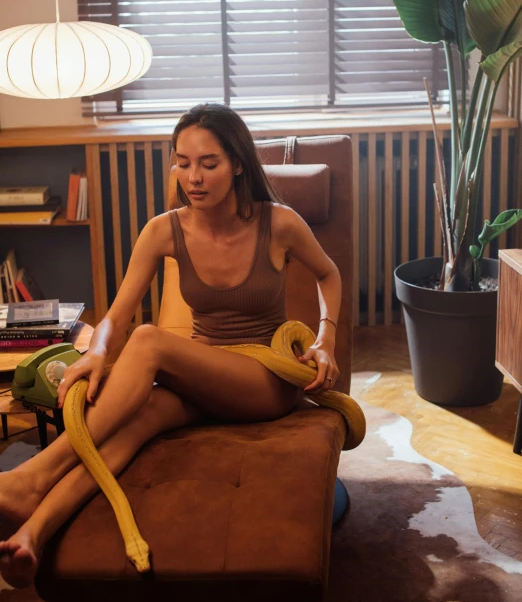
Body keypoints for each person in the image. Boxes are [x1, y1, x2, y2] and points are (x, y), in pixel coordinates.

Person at [0, 102, 341, 589]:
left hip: (263, 382)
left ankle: (33, 475)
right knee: (130, 427)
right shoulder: (163, 230)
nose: (193, 177)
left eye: (208, 163)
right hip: (202, 378)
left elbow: (329, 272)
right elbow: (116, 313)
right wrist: (96, 352)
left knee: (149, 341)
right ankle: (34, 530)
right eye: (182, 162)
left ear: (238, 164)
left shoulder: (278, 222)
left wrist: (326, 337)